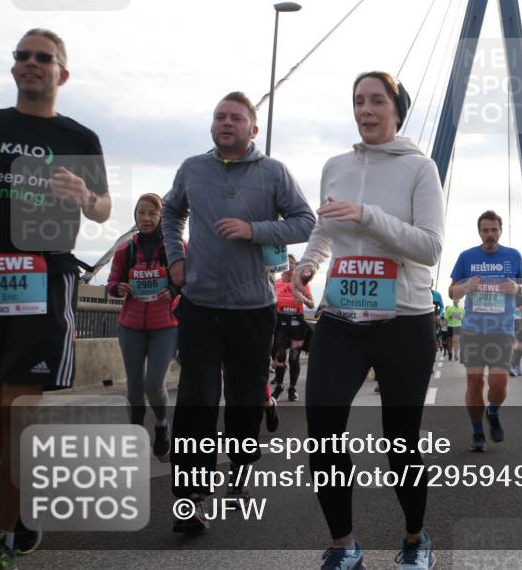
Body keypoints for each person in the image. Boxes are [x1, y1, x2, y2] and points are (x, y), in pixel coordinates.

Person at [291, 71, 444, 569]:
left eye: (377, 100)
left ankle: (416, 539)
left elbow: (429, 247)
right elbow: (324, 229)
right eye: (358, 101)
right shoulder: (335, 165)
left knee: (400, 441)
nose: (366, 109)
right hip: (340, 319)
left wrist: (368, 215)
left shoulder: (421, 168)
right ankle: (343, 544)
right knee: (323, 430)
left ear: (398, 110)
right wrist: (310, 263)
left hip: (404, 321)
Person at [0, 29, 112, 566]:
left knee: (20, 411)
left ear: (62, 73)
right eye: (23, 56)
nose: (31, 63)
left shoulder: (79, 136)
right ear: (14, 69)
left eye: (44, 57)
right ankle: (24, 505)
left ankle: (3, 534)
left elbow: (104, 209)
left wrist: (84, 196)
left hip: (45, 275)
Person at [163, 91, 314, 533]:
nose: (226, 123)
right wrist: (176, 258)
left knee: (246, 399)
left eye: (235, 118)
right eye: (219, 117)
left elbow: (305, 221)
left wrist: (254, 230)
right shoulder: (193, 168)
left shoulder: (274, 173)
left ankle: (241, 466)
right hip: (200, 305)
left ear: (253, 128)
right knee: (196, 400)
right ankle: (190, 498)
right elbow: (172, 213)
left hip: (252, 308)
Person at [107, 192, 180, 461]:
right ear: (135, 216)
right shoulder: (125, 249)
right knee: (135, 387)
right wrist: (118, 288)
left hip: (165, 326)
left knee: (153, 385)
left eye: (152, 213)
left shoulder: (174, 247)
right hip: (131, 325)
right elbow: (112, 282)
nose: (146, 218)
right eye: (141, 213)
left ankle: (161, 426)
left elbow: (189, 278)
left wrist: (173, 289)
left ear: (161, 217)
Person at [450, 210, 522, 453]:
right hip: (473, 329)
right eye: (485, 230)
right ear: (479, 232)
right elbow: (452, 291)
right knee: (474, 382)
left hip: (501, 329)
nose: (490, 234)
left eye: (494, 229)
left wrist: (516, 287)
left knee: (498, 382)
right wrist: (465, 285)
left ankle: (492, 412)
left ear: (500, 230)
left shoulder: (513, 255)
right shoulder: (466, 257)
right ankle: (477, 431)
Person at [271, 254, 314, 401]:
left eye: (293, 264)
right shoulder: (275, 283)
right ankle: (279, 386)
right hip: (281, 324)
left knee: (294, 358)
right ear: (282, 266)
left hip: (297, 324)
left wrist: (303, 299)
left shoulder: (301, 284)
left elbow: (312, 304)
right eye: (287, 264)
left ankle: (292, 388)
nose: (290, 267)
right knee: (280, 355)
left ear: (296, 267)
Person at [443, 298, 464, 362]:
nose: (455, 301)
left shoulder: (461, 309)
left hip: (458, 326)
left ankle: (456, 354)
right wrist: (450, 317)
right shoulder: (449, 309)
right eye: (454, 300)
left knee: (456, 341)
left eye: (457, 300)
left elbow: (463, 318)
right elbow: (445, 318)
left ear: (458, 301)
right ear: (453, 301)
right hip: (450, 326)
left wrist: (459, 317)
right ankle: (450, 353)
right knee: (450, 341)